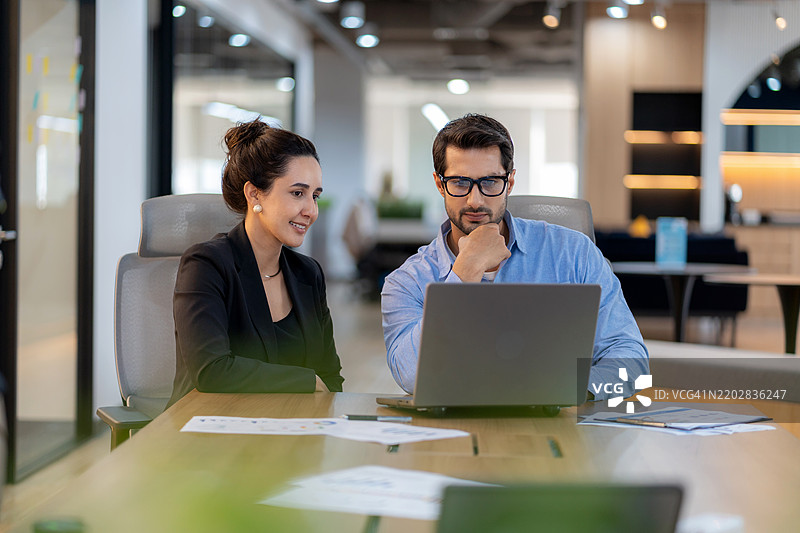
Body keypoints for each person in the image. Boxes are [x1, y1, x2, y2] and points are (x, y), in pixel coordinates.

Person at [380, 114, 648, 400]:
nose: (475, 200)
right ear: (439, 183)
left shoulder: (573, 253)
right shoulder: (406, 282)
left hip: (558, 417)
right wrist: (465, 270)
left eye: (490, 182)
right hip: (455, 423)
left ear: (509, 182)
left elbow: (632, 361)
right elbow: (410, 376)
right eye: (459, 183)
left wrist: (565, 389)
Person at [168, 119, 344, 406]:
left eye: (315, 196)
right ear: (254, 194)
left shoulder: (308, 274)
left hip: (292, 427)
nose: (311, 210)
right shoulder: (206, 265)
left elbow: (331, 377)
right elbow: (212, 371)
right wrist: (306, 381)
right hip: (209, 424)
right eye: (297, 193)